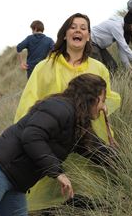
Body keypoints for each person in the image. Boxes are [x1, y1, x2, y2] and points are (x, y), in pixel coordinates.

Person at [0, 74, 118, 216]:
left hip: (16, 181)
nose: (103, 107)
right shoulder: (59, 107)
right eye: (102, 100)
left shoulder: (78, 123)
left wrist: (127, 167)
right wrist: (58, 173)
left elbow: (95, 149)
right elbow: (32, 136)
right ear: (92, 98)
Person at [16, 13, 122, 211]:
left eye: (83, 28)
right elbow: (28, 102)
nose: (78, 31)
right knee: (52, 188)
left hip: (87, 134)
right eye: (73, 27)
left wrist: (104, 106)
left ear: (89, 36)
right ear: (65, 34)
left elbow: (106, 98)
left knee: (102, 175)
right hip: (55, 136)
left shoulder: (98, 68)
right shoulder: (44, 67)